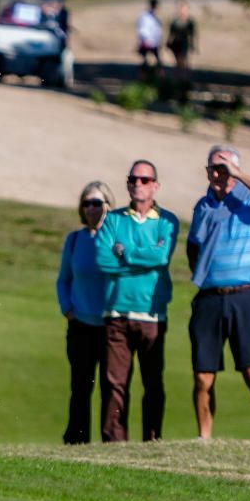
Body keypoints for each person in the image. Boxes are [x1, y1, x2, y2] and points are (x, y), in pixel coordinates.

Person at [186, 145, 250, 440]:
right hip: (211, 297)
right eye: (213, 168)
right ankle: (204, 437)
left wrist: (239, 176)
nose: (217, 174)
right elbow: (193, 246)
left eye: (223, 169)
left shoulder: (249, 198)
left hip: (246, 295)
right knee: (203, 375)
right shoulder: (203, 206)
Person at [94, 160, 180, 442]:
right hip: (117, 313)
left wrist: (125, 252)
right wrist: (141, 258)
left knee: (153, 383)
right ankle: (114, 443)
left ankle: (152, 441)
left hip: (151, 315)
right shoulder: (113, 219)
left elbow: (161, 257)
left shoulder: (167, 221)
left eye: (144, 180)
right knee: (114, 383)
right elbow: (103, 260)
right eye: (133, 179)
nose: (138, 184)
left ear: (155, 185)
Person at [56, 181, 116, 444]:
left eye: (97, 203)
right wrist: (67, 308)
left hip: (111, 327)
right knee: (81, 386)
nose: (92, 208)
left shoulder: (117, 239)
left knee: (110, 387)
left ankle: (111, 441)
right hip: (80, 324)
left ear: (108, 206)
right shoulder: (74, 240)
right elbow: (64, 280)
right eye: (87, 203)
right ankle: (77, 441)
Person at [167, 0, 197, 81]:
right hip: (176, 44)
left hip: (184, 44)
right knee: (177, 63)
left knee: (184, 62)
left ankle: (185, 80)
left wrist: (193, 45)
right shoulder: (175, 21)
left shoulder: (190, 21)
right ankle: (177, 80)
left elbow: (192, 35)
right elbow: (171, 34)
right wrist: (168, 44)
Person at [136, 0, 163, 78]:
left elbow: (157, 31)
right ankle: (143, 78)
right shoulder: (145, 17)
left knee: (157, 63)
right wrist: (147, 40)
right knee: (145, 63)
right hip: (147, 43)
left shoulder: (155, 17)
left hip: (154, 43)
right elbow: (142, 30)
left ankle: (157, 79)